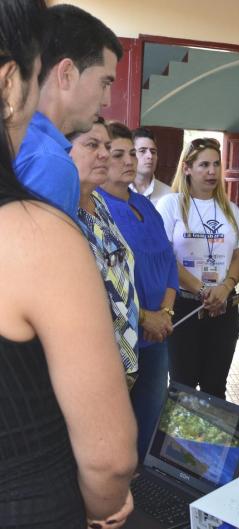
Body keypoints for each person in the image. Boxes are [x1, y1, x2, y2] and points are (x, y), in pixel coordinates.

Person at [0, 1, 136, 527]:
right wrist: (105, 507)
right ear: (13, 83)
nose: (107, 97)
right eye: (104, 82)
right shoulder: (37, 218)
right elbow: (109, 455)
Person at [99, 121, 178, 462]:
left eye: (132, 152)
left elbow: (169, 262)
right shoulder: (95, 209)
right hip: (121, 335)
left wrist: (165, 313)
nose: (129, 160)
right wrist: (146, 316)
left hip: (157, 333)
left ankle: (145, 485)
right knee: (116, 421)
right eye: (119, 155)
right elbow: (102, 281)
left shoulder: (146, 205)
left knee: (151, 412)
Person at [156, 137, 239, 399]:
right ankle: (179, 442)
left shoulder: (231, 209)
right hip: (185, 305)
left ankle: (210, 442)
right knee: (182, 387)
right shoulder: (171, 205)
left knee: (215, 386)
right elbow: (166, 258)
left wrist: (225, 288)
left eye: (216, 165)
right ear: (187, 168)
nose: (212, 171)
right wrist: (204, 290)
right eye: (204, 164)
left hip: (223, 308)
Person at [14, 3, 120, 219]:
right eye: (104, 82)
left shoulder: (16, 138)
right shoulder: (50, 163)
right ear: (67, 74)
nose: (107, 100)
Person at [69, 117, 140, 388]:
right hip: (89, 363)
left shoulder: (98, 200)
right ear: (65, 151)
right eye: (92, 145)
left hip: (124, 355)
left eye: (106, 145)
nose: (104, 154)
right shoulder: (62, 209)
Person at [131, 126, 172, 205]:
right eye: (142, 151)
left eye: (153, 152)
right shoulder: (117, 191)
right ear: (131, 154)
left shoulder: (169, 195)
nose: (150, 156)